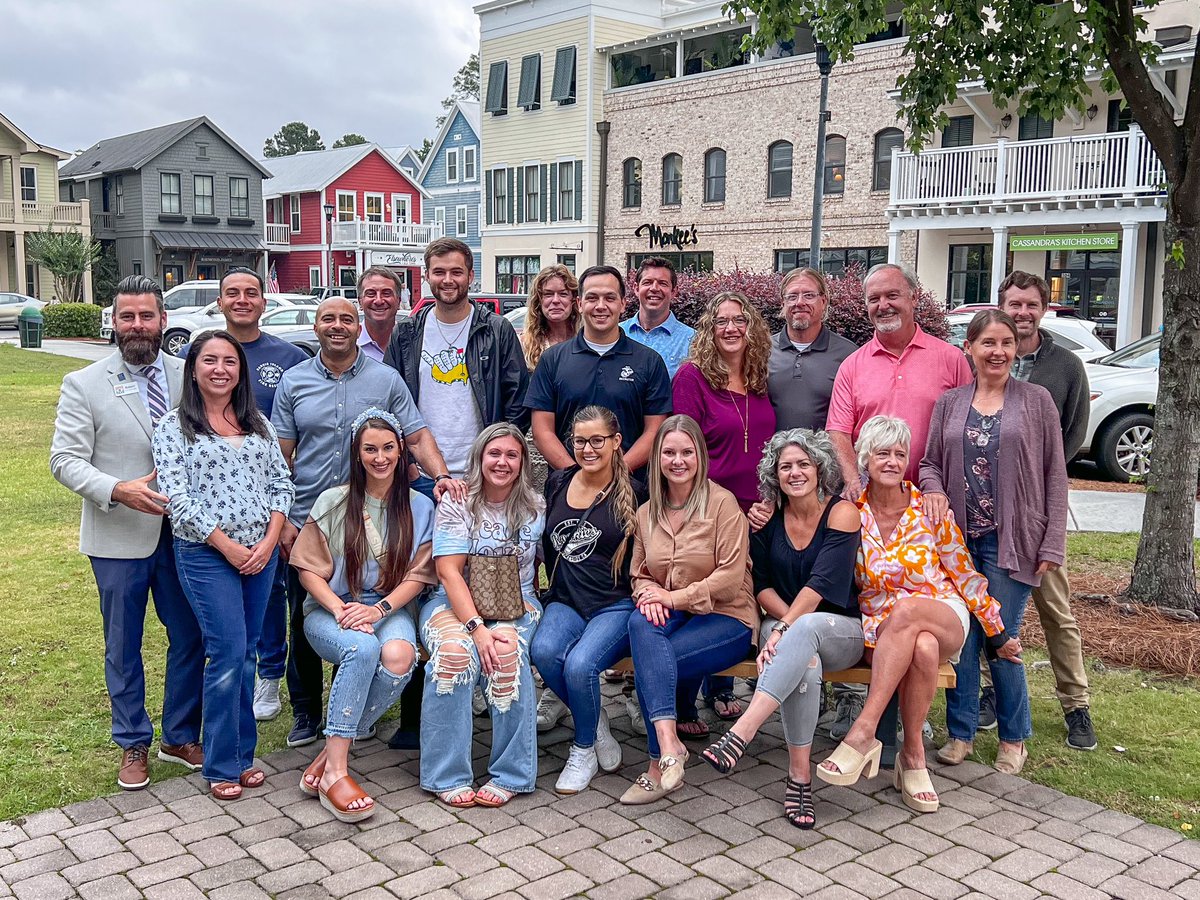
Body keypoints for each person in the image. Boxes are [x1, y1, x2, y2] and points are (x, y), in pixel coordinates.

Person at [273, 297, 460, 748]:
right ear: (315, 327)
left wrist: (442, 476)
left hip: (384, 508)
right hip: (312, 516)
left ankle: (354, 711)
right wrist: (280, 520)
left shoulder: (386, 379)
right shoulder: (294, 382)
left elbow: (414, 434)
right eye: (327, 319)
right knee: (304, 621)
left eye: (346, 319)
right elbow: (280, 458)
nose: (337, 326)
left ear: (359, 326)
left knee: (374, 621)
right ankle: (306, 712)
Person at [814, 416, 1017, 814]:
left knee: (911, 614)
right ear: (864, 460)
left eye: (899, 454)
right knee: (921, 648)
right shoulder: (848, 512)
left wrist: (996, 633)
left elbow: (965, 574)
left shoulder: (930, 509)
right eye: (882, 453)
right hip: (881, 630)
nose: (891, 461)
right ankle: (913, 755)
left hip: (944, 613)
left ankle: (862, 733)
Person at [50, 275, 205, 791]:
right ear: (113, 323)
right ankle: (132, 740)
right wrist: (117, 489)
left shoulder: (193, 376)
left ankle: (180, 734)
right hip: (119, 534)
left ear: (164, 320)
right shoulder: (84, 383)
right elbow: (65, 461)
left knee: (189, 635)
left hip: (186, 536)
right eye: (127, 317)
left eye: (146, 316)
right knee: (123, 643)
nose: (137, 326)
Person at [823, 263, 971, 740]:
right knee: (874, 591)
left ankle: (907, 724)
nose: (883, 306)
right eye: (873, 299)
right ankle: (894, 733)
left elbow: (966, 431)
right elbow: (839, 430)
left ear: (913, 297)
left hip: (929, 507)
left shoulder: (950, 359)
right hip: (874, 508)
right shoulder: (854, 364)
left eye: (892, 296)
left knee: (926, 600)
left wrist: (937, 487)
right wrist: (851, 482)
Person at [922, 309, 1068, 776]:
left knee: (1000, 637)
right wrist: (936, 490)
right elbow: (928, 463)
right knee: (961, 639)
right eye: (988, 343)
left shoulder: (1036, 400)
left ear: (1016, 348)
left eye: (1006, 343)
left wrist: (1052, 544)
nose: (998, 351)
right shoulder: (950, 402)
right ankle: (961, 733)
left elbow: (1055, 474)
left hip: (1013, 541)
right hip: (958, 545)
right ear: (970, 348)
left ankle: (1013, 736)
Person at [152, 331, 293, 800]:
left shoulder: (258, 424)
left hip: (261, 554)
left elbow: (281, 483)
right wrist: (227, 545)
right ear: (193, 368)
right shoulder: (175, 426)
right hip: (206, 555)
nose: (220, 369)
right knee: (228, 651)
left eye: (229, 362)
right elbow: (177, 498)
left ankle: (242, 756)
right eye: (209, 360)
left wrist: (271, 539)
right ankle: (219, 764)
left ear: (241, 371)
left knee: (248, 650)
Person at [701, 429, 862, 829]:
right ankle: (799, 778)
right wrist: (787, 627)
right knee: (803, 662)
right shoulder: (766, 519)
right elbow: (761, 585)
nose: (795, 472)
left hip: (839, 628)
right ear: (774, 474)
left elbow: (824, 583)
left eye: (803, 464)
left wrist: (786, 627)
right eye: (785, 465)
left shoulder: (841, 512)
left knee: (805, 630)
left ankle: (742, 732)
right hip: (786, 622)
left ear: (821, 467)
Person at [290, 409, 436, 823]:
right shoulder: (333, 502)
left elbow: (418, 575)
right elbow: (307, 571)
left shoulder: (420, 507)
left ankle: (328, 754)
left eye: (388, 448)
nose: (380, 457)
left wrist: (378, 609)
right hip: (330, 608)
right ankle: (337, 773)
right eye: (370, 449)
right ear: (357, 454)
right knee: (362, 646)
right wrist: (342, 610)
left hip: (387, 604)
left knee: (399, 657)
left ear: (401, 450)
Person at [190, 266, 309, 725]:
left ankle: (269, 674)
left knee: (273, 591)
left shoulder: (289, 356)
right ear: (220, 301)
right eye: (232, 293)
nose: (242, 300)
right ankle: (231, 673)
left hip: (271, 503)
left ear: (265, 301)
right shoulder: (207, 352)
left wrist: (283, 510)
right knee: (221, 605)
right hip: (213, 508)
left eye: (251, 293)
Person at [620, 415, 758, 804]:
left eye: (686, 451)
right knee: (640, 621)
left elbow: (730, 579)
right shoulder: (648, 512)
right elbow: (640, 574)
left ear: (700, 455)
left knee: (656, 660)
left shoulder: (722, 504)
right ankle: (668, 746)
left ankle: (654, 766)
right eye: (668, 452)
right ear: (657, 458)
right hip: (675, 613)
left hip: (727, 616)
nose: (677, 460)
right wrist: (650, 593)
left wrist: (672, 598)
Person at [419, 424, 546, 808]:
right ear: (479, 457)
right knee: (454, 655)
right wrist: (475, 629)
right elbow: (448, 572)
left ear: (522, 461)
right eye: (494, 453)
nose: (502, 462)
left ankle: (512, 772)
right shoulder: (458, 502)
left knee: (506, 651)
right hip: (452, 602)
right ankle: (446, 774)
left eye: (512, 455)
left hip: (518, 601)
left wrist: (493, 633)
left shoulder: (535, 506)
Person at [997, 271, 1095, 751]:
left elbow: (1072, 434)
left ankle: (1076, 706)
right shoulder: (984, 358)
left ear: (1043, 308)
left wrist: (1038, 483)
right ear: (1001, 307)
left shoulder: (1065, 367)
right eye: (1013, 304)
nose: (1022, 313)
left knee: (1055, 611)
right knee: (987, 610)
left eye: (1030, 305)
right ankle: (990, 698)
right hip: (987, 510)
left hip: (1037, 510)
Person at [529, 406, 646, 794]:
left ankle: (582, 750)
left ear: (616, 443)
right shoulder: (559, 481)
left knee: (581, 665)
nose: (588, 448)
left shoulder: (638, 492)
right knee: (545, 652)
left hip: (614, 604)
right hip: (565, 599)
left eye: (598, 440)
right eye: (580, 441)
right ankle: (594, 724)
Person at [672, 291, 776, 724]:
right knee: (705, 598)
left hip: (761, 511)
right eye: (721, 321)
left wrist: (770, 497)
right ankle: (682, 701)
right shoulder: (693, 378)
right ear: (708, 331)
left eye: (739, 320)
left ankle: (721, 687)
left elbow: (771, 447)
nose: (731, 328)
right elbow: (683, 450)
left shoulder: (760, 378)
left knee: (737, 597)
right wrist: (725, 508)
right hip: (708, 510)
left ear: (751, 328)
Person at [385, 237, 530, 491]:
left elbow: (517, 400)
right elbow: (390, 402)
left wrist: (498, 459)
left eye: (456, 272)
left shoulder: (496, 330)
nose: (448, 280)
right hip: (421, 475)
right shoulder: (407, 333)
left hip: (482, 475)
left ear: (470, 276)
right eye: (439, 272)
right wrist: (407, 463)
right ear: (427, 276)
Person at [527, 264, 672, 474]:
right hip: (567, 490)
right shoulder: (553, 360)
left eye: (610, 298)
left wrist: (616, 474)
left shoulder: (649, 362)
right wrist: (577, 477)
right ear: (579, 303)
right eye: (592, 298)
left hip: (631, 488)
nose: (601, 306)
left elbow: (655, 431)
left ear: (623, 304)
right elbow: (542, 431)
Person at [766, 268, 856, 432]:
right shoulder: (762, 351)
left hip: (826, 456)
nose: (800, 302)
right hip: (772, 456)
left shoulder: (848, 355)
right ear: (782, 303)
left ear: (823, 301)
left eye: (809, 295)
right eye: (792, 296)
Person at [620, 256, 695, 378]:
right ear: (636, 288)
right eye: (647, 282)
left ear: (674, 291)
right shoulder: (617, 334)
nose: (654, 288)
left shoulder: (692, 341)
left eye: (662, 283)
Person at [520, 263, 581, 371]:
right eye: (548, 294)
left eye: (563, 294)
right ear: (539, 300)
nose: (556, 300)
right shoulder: (525, 345)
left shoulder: (585, 340)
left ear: (574, 300)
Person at [357, 266, 403, 362]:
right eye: (371, 293)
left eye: (386, 293)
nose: (378, 301)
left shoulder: (412, 344)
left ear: (398, 301)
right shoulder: (348, 345)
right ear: (360, 301)